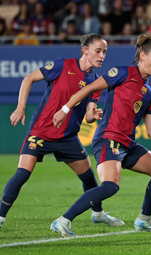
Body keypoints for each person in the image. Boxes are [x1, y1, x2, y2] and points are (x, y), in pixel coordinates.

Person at [52, 34, 151, 236]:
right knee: (111, 186)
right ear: (142, 56)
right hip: (108, 138)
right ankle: (63, 220)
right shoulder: (123, 73)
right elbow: (89, 88)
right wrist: (65, 109)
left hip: (127, 143)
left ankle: (144, 219)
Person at [0, 34, 123, 230]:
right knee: (22, 174)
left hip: (67, 137)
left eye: (104, 52)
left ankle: (98, 214)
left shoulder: (96, 82)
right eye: (98, 51)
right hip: (41, 132)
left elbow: (89, 116)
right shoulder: (62, 65)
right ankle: (0, 216)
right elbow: (29, 78)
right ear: (85, 50)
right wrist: (20, 107)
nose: (102, 56)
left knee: (89, 178)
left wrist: (94, 114)